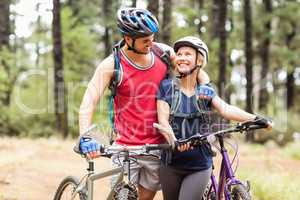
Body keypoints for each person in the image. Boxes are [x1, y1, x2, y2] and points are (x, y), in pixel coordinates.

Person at [77, 8, 211, 200]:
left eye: (152, 37)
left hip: (157, 148)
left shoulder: (163, 53)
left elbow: (194, 68)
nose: (151, 42)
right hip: (125, 148)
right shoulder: (112, 65)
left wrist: (207, 86)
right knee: (122, 196)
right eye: (145, 39)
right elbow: (88, 102)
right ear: (128, 38)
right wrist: (85, 136)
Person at [156, 36, 272, 200]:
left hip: (199, 165)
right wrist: (174, 140)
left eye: (187, 54)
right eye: (179, 54)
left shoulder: (205, 91)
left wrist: (255, 119)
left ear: (199, 61)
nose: (181, 57)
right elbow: (163, 120)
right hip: (170, 164)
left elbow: (225, 109)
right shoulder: (166, 87)